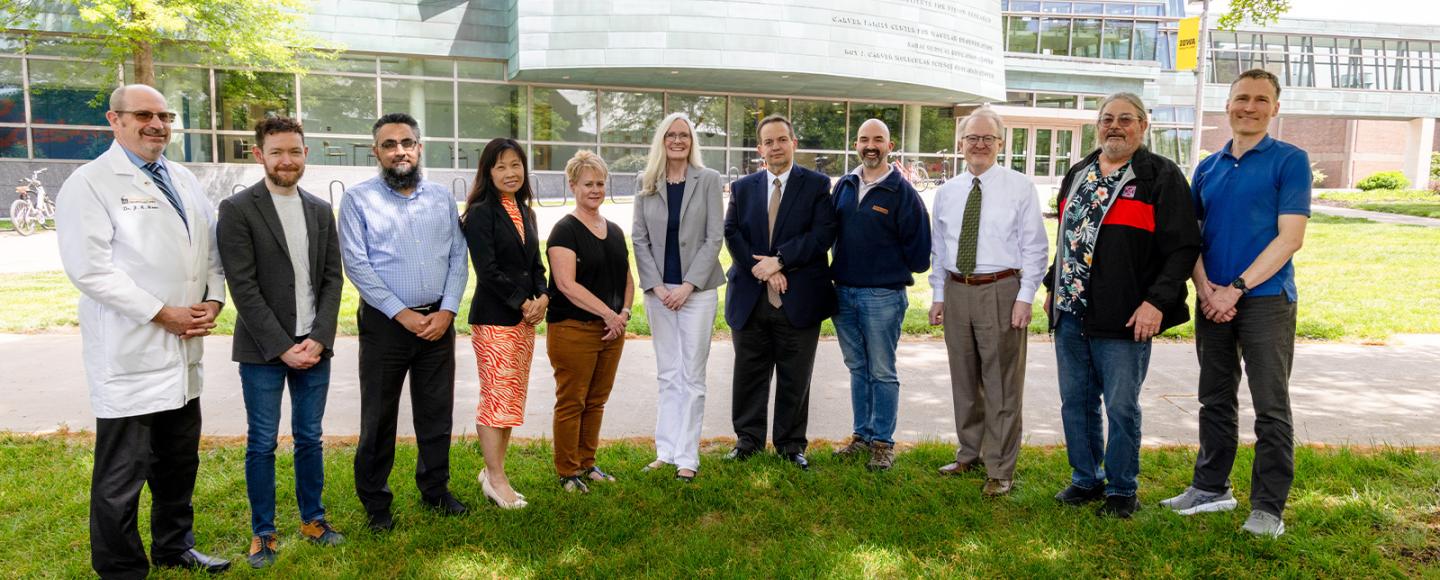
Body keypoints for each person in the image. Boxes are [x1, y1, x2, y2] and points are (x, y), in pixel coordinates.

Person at [56, 84, 231, 577]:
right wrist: (162, 313)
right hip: (131, 350)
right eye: (143, 115)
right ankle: (121, 568)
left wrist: (213, 299)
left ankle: (175, 547)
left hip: (184, 349)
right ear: (115, 120)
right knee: (122, 475)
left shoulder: (182, 177)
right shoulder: (90, 182)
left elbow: (210, 248)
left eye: (164, 115)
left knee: (178, 465)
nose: (157, 124)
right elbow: (89, 270)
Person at [1160, 69, 1310, 538]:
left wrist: (1235, 289)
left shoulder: (1290, 160)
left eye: (1261, 100)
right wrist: (1206, 289)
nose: (1249, 107)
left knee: (1270, 407)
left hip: (1264, 300)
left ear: (1275, 108)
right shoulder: (1208, 166)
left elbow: (1291, 238)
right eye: (1241, 98)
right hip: (1214, 301)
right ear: (1227, 105)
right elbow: (1192, 237)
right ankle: (1211, 488)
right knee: (1214, 399)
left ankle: (1268, 508)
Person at [1044, 92, 1202, 518]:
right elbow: (1067, 240)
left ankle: (1121, 488)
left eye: (1126, 119)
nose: (1115, 126)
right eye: (1108, 119)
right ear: (1098, 125)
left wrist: (1155, 302)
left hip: (1127, 316)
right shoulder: (1078, 173)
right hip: (1070, 312)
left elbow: (1183, 248)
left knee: (1120, 406)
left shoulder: (1160, 177)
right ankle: (1085, 479)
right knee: (1075, 401)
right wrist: (1050, 287)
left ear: (1143, 126)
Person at [216, 116, 345, 568]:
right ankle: (264, 532)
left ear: (306, 154)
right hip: (262, 350)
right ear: (259, 155)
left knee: (310, 438)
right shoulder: (237, 210)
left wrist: (320, 337)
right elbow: (243, 287)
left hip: (314, 346)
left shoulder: (318, 209)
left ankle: (313, 520)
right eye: (276, 152)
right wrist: (280, 345)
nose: (286, 160)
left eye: (294, 151)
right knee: (262, 442)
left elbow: (332, 279)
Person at [340, 112, 470, 531]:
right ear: (376, 151)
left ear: (419, 147)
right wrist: (403, 314)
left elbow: (457, 257)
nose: (400, 151)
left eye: (407, 142)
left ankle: (435, 490)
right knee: (378, 416)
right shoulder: (358, 199)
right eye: (390, 144)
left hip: (438, 322)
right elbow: (357, 265)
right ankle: (376, 504)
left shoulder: (441, 198)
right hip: (385, 326)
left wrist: (448, 309)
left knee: (436, 412)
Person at [927, 107, 1048, 495]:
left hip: (1001, 289)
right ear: (960, 145)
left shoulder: (1019, 186)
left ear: (1000, 143)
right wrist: (939, 295)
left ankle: (1000, 467)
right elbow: (938, 249)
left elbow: (1035, 248)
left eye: (987, 138)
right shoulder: (946, 193)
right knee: (964, 379)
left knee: (1001, 382)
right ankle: (969, 452)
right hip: (957, 288)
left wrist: (1025, 297)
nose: (979, 145)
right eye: (972, 138)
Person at [722, 114, 838, 470]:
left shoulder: (817, 185)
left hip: (799, 298)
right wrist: (765, 269)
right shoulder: (743, 187)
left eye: (781, 140)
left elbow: (822, 235)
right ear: (760, 149)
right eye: (768, 142)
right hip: (751, 297)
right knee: (749, 374)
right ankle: (748, 441)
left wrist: (781, 261)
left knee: (795, 375)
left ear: (793, 143)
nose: (775, 147)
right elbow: (732, 232)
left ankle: (790, 445)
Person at [828, 118, 931, 471]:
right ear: (856, 144)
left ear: (890, 145)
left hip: (882, 296)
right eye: (863, 139)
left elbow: (920, 255)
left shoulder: (903, 193)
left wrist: (885, 266)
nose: (870, 146)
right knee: (858, 368)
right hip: (843, 293)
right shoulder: (844, 185)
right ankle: (862, 436)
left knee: (883, 371)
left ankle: (883, 443)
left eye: (878, 140)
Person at [631, 113, 725, 482]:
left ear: (691, 141)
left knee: (692, 376)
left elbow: (713, 238)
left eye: (684, 135)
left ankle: (688, 455)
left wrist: (687, 286)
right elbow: (638, 238)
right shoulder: (646, 182)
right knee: (668, 374)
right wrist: (656, 287)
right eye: (671, 134)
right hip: (659, 293)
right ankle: (665, 451)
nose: (677, 140)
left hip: (696, 294)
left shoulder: (709, 180)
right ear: (662, 140)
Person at [461, 138, 548, 509]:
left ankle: (492, 470)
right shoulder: (481, 212)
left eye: (516, 165)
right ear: (487, 172)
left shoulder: (526, 212)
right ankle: (496, 480)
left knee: (510, 399)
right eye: (500, 167)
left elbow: (536, 266)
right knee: (496, 398)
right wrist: (524, 302)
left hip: (525, 320)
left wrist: (544, 297)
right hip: (495, 319)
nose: (510, 173)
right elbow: (488, 271)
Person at [546, 151, 634, 493]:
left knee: (596, 400)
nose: (595, 190)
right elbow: (567, 285)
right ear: (573, 186)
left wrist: (623, 315)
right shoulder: (564, 230)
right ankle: (567, 471)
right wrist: (608, 314)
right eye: (587, 184)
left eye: (600, 183)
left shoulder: (613, 230)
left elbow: (627, 279)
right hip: (573, 329)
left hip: (612, 331)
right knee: (572, 401)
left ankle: (587, 462)